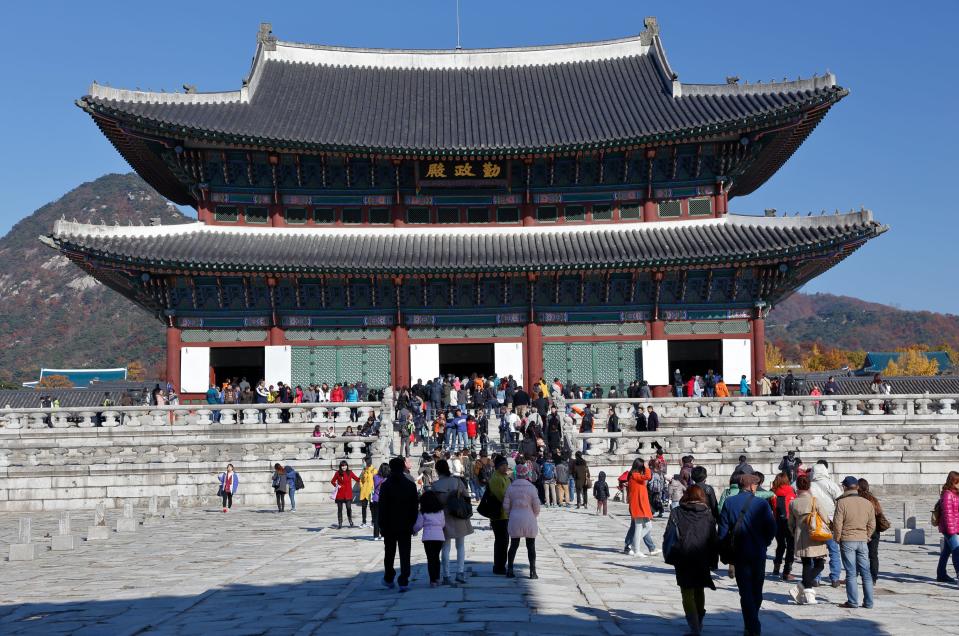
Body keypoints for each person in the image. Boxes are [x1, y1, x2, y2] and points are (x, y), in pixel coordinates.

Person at [718, 474, 776, 636]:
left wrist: (724, 551)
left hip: (739, 552)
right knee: (757, 589)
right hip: (758, 552)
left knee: (745, 591)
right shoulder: (762, 504)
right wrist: (765, 542)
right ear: (751, 486)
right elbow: (772, 528)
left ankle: (750, 623)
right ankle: (753, 623)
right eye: (756, 485)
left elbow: (722, 531)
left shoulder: (729, 502)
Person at [666, 485, 718, 635]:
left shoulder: (676, 512)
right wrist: (714, 560)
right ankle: (699, 620)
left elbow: (669, 534)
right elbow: (713, 539)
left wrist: (669, 553)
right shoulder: (708, 514)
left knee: (686, 591)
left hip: (683, 556)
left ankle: (694, 627)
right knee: (699, 588)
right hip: (702, 556)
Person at [832, 475, 876, 609]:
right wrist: (867, 535)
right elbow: (872, 523)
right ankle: (869, 602)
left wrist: (837, 538)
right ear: (856, 487)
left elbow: (837, 523)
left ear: (844, 487)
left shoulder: (841, 503)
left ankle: (852, 601)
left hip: (847, 539)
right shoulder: (867, 503)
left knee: (851, 572)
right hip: (862, 539)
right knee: (866, 572)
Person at [430, 459, 474, 585]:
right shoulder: (457, 481)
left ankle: (446, 575)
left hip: (444, 517)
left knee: (445, 548)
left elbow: (433, 503)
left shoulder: (435, 486)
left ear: (438, 470)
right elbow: (467, 496)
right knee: (460, 546)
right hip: (459, 515)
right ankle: (460, 572)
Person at [379, 456, 419, 591]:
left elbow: (382, 507)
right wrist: (414, 523)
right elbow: (415, 507)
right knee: (404, 553)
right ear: (403, 467)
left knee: (389, 552)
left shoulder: (385, 485)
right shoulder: (410, 485)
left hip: (389, 525)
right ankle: (404, 580)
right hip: (406, 524)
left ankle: (389, 577)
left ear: (391, 468)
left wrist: (381, 525)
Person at [787, 474, 828, 605]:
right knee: (820, 564)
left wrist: (795, 532)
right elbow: (825, 518)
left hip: (801, 537)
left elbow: (790, 523)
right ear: (809, 485)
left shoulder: (793, 503)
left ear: (797, 487)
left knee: (806, 564)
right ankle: (803, 589)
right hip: (815, 535)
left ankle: (805, 591)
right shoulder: (815, 501)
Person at [809, 461, 844, 587]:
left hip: (816, 521)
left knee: (816, 551)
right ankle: (835, 578)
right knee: (834, 550)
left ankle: (816, 578)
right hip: (831, 521)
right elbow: (841, 501)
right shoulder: (831, 484)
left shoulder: (810, 486)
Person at [503, 462, 541, 579]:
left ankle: (510, 570)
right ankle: (532, 571)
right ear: (527, 474)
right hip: (529, 518)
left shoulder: (510, 487)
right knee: (531, 546)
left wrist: (511, 514)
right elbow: (537, 506)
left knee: (513, 545)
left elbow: (506, 506)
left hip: (515, 517)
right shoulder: (532, 488)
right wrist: (533, 515)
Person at [413, 490, 446, 587]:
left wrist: (413, 530)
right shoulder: (440, 511)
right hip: (439, 537)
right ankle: (438, 578)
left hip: (428, 538)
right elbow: (443, 524)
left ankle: (433, 580)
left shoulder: (423, 512)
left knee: (430, 558)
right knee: (436, 558)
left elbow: (418, 525)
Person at [626, 458, 658, 557]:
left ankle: (633, 545)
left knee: (648, 526)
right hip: (638, 504)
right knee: (639, 527)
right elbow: (648, 476)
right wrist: (647, 467)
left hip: (641, 504)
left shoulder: (635, 475)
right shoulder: (634, 475)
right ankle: (636, 551)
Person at [769, 472, 797, 581]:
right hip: (790, 522)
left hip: (777, 522)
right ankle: (786, 572)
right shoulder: (792, 491)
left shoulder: (772, 492)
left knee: (780, 545)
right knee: (791, 547)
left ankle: (776, 567)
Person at [857, 478, 884, 584]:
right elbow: (879, 513)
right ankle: (873, 577)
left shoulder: (858, 499)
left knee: (858, 553)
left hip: (862, 529)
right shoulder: (873, 499)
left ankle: (855, 575)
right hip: (875, 530)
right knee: (873, 555)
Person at [489, 455, 513, 574]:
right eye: (502, 465)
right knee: (501, 541)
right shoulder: (496, 478)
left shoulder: (506, 477)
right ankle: (499, 566)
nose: (505, 467)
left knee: (503, 541)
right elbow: (502, 496)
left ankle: (500, 565)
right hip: (499, 515)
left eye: (506, 465)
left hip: (506, 514)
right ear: (497, 467)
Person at [936, 470, 959, 583]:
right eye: (958, 482)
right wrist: (951, 531)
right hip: (949, 528)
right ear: (953, 482)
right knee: (956, 550)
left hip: (954, 527)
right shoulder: (947, 494)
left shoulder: (955, 493)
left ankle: (941, 574)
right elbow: (947, 514)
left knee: (946, 551)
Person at [331, 461, 360, 529]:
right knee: (340, 509)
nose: (344, 467)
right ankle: (340, 523)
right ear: (340, 467)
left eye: (345, 465)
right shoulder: (337, 473)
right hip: (340, 494)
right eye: (342, 466)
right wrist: (337, 485)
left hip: (348, 494)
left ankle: (350, 521)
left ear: (347, 466)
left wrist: (365, 479)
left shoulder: (350, 472)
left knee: (348, 508)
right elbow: (332, 481)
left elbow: (357, 479)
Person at [371, 462, 390, 540]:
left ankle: (375, 535)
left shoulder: (375, 477)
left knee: (376, 518)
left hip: (376, 499)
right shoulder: (388, 479)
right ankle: (382, 535)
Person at [359, 458, 376, 528]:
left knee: (372, 508)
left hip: (371, 492)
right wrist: (361, 486)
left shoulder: (374, 470)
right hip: (364, 491)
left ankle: (373, 522)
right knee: (363, 507)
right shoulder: (363, 471)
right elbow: (360, 480)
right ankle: (364, 522)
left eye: (364, 462)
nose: (363, 464)